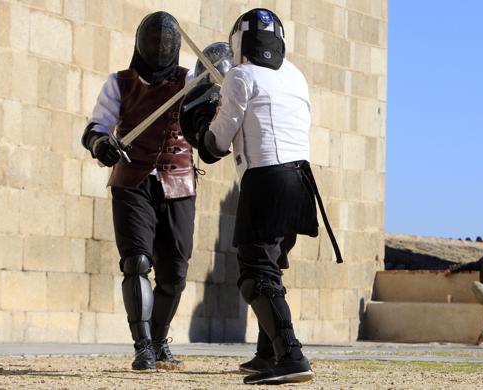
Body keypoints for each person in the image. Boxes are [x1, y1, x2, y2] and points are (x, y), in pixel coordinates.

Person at [180, 8, 342, 385]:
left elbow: (217, 142)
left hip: (266, 181)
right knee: (272, 265)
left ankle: (290, 355)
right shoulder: (296, 75)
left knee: (256, 275)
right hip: (301, 181)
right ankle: (266, 353)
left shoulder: (240, 76)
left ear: (239, 42)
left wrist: (202, 125)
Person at [81, 11, 197, 370]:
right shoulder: (119, 82)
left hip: (179, 182)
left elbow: (213, 118)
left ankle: (160, 340)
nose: (160, 47)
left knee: (174, 273)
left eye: (166, 42)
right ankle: (142, 345)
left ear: (176, 46)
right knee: (136, 262)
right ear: (140, 43)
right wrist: (102, 144)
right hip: (132, 179)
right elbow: (96, 128)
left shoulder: (192, 80)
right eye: (153, 41)